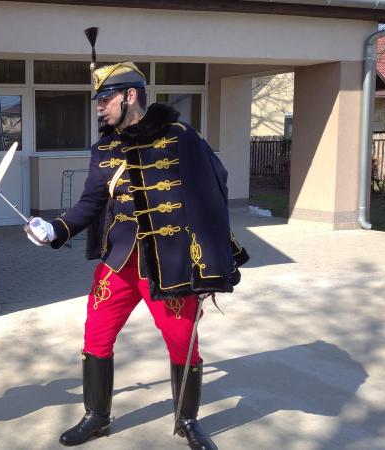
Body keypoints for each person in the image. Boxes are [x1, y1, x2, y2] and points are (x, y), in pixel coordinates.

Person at [26, 62, 248, 450]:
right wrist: (55, 229)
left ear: (131, 96)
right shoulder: (105, 149)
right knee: (95, 336)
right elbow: (91, 203)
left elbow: (213, 187)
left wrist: (209, 256)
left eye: (105, 98)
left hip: (170, 265)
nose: (99, 107)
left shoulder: (180, 136)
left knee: (183, 343)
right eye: (98, 100)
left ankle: (187, 420)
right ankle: (97, 416)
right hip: (119, 263)